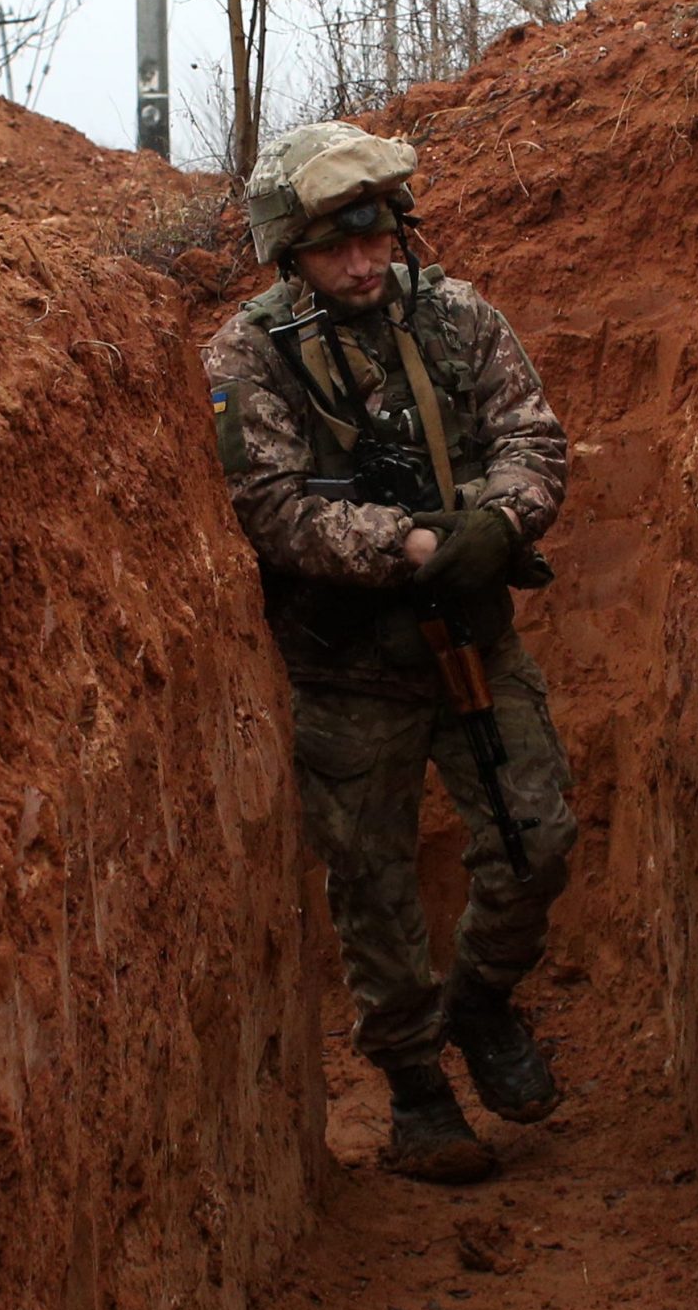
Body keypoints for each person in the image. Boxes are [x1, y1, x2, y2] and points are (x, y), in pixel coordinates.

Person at [203, 120, 578, 1185]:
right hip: (346, 663)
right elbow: (270, 509)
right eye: (334, 248)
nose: (363, 264)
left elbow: (530, 438)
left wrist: (500, 525)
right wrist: (411, 545)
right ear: (291, 253)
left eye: (373, 238)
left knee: (538, 840)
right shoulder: (249, 357)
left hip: (468, 635)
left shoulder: (457, 318)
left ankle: (483, 1007)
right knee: (372, 888)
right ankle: (416, 1088)